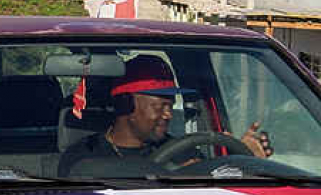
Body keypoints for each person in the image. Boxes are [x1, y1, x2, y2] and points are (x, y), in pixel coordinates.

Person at [58, 55, 271, 176]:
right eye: (160, 106)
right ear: (126, 104)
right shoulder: (81, 157)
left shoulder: (183, 152)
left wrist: (243, 160)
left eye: (171, 105)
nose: (169, 114)